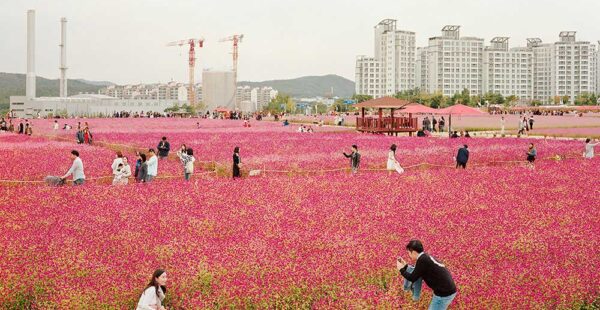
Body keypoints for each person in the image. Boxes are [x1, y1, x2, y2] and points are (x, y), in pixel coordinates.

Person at [397, 240, 457, 310]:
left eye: (408, 253)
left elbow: (412, 277)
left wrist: (401, 270)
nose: (409, 255)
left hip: (444, 294)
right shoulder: (425, 257)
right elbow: (417, 272)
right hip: (446, 291)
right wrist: (405, 266)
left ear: (413, 252)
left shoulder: (422, 260)